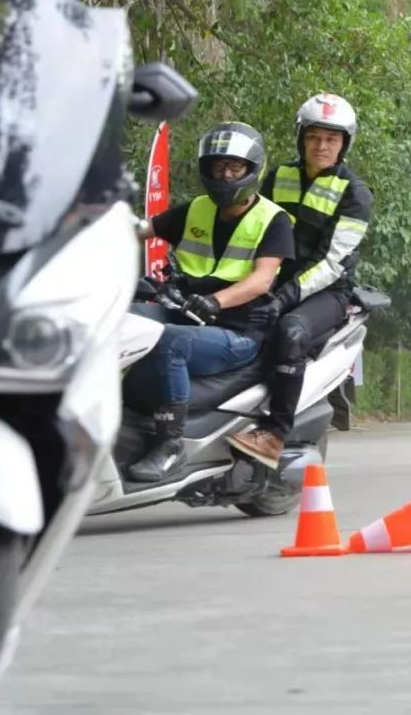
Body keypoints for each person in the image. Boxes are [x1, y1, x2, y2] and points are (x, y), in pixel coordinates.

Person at [127, 121, 295, 483]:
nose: (225, 175)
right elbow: (142, 229)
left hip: (239, 331)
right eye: (218, 166)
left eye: (235, 166)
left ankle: (171, 445)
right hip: (185, 314)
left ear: (253, 170)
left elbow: (263, 278)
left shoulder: (273, 219)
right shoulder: (196, 210)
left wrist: (216, 301)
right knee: (123, 321)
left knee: (169, 344)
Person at [226, 93, 373, 468]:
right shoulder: (278, 177)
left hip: (329, 292)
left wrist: (285, 295)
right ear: (301, 138)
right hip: (276, 281)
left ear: (344, 144)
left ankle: (275, 433)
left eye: (331, 139)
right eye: (313, 137)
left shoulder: (355, 193)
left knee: (290, 331)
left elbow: (333, 262)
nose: (321, 146)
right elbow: (256, 233)